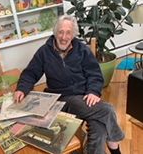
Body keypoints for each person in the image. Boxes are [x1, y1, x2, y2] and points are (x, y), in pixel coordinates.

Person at [13, 14, 124, 154]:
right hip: (60, 99)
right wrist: (21, 89)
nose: (64, 37)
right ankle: (116, 150)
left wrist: (93, 91)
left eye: (68, 33)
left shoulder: (82, 49)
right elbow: (30, 73)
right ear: (55, 32)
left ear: (73, 34)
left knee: (98, 125)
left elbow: (94, 74)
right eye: (61, 32)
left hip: (83, 97)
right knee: (106, 110)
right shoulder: (44, 52)